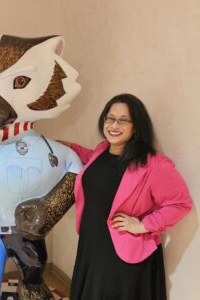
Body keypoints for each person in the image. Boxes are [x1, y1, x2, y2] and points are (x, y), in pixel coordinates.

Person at [60, 94, 192, 300]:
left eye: (123, 120)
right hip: (92, 243)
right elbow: (92, 161)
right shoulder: (103, 149)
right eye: (109, 118)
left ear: (136, 126)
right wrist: (63, 146)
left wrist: (142, 225)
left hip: (123, 253)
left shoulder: (154, 164)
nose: (114, 125)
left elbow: (181, 204)